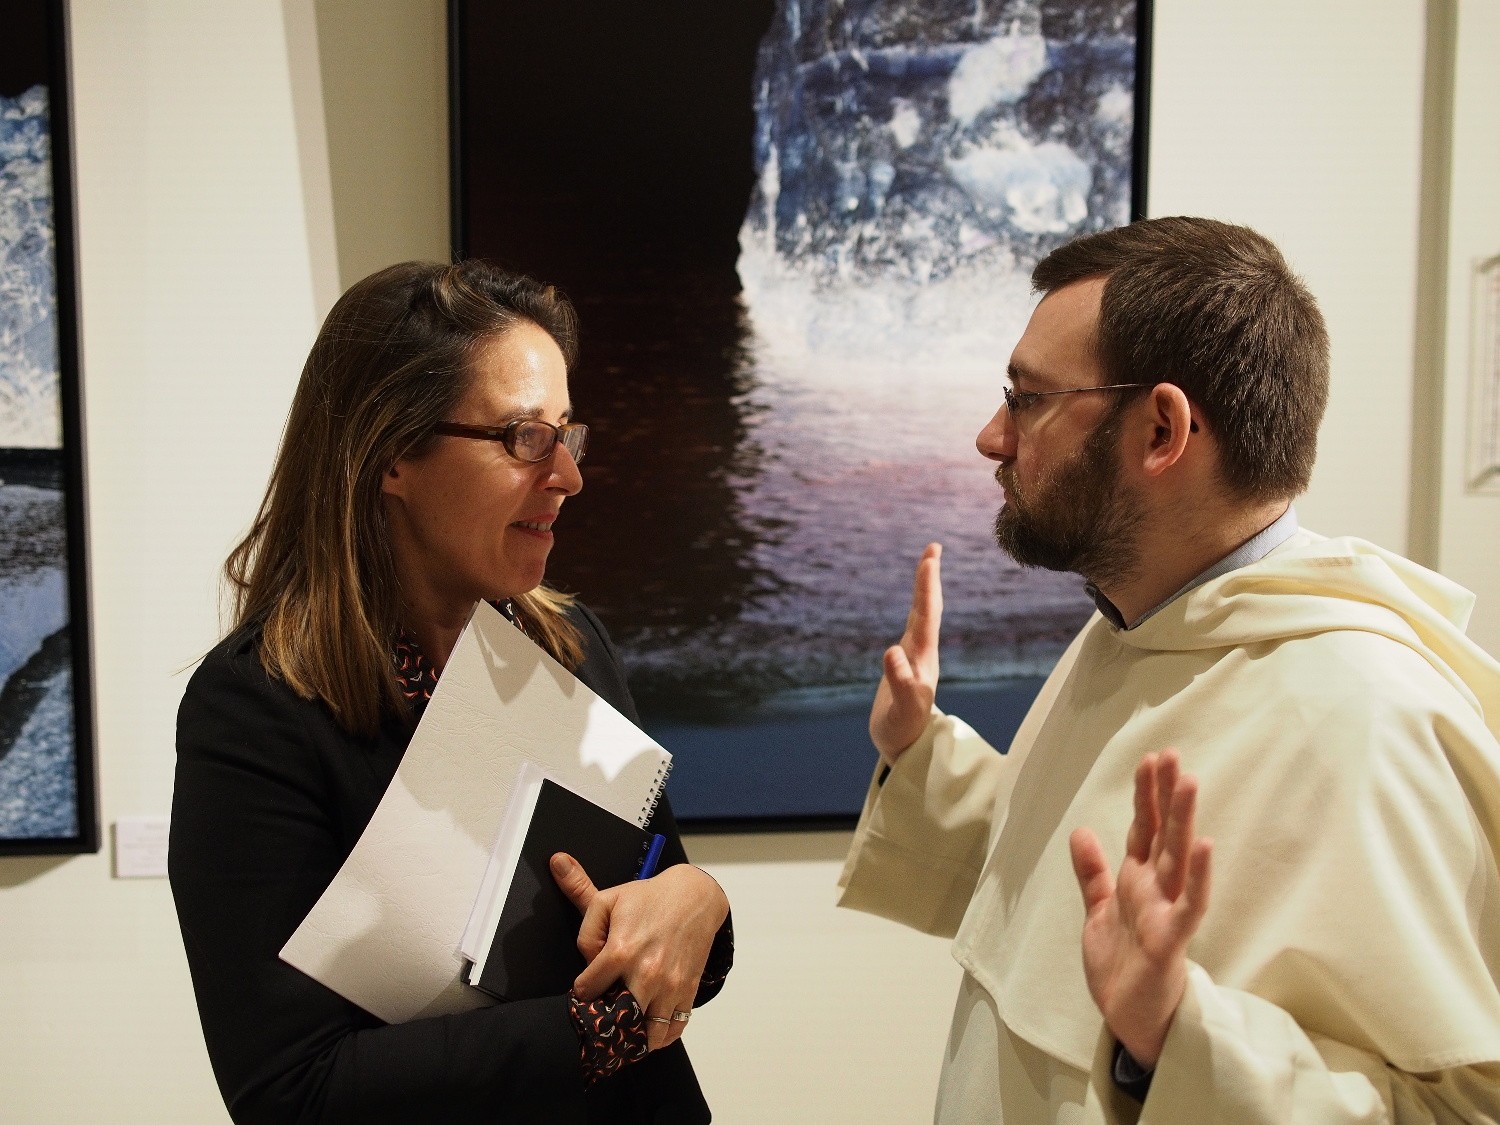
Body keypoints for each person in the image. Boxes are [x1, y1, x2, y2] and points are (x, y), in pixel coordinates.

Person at [838, 217, 1500, 1121]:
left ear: (1161, 430)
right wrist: (921, 751)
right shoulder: (1139, 625)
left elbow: (1463, 1107)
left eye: (1026, 399)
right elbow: (1055, 888)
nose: (992, 437)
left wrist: (1175, 1039)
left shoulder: (1370, 721)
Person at [169, 260, 733, 1123]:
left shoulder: (571, 646)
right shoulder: (255, 711)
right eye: (525, 438)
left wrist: (699, 899)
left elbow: (661, 913)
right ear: (391, 451)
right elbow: (291, 1091)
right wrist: (595, 1029)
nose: (569, 476)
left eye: (568, 436)